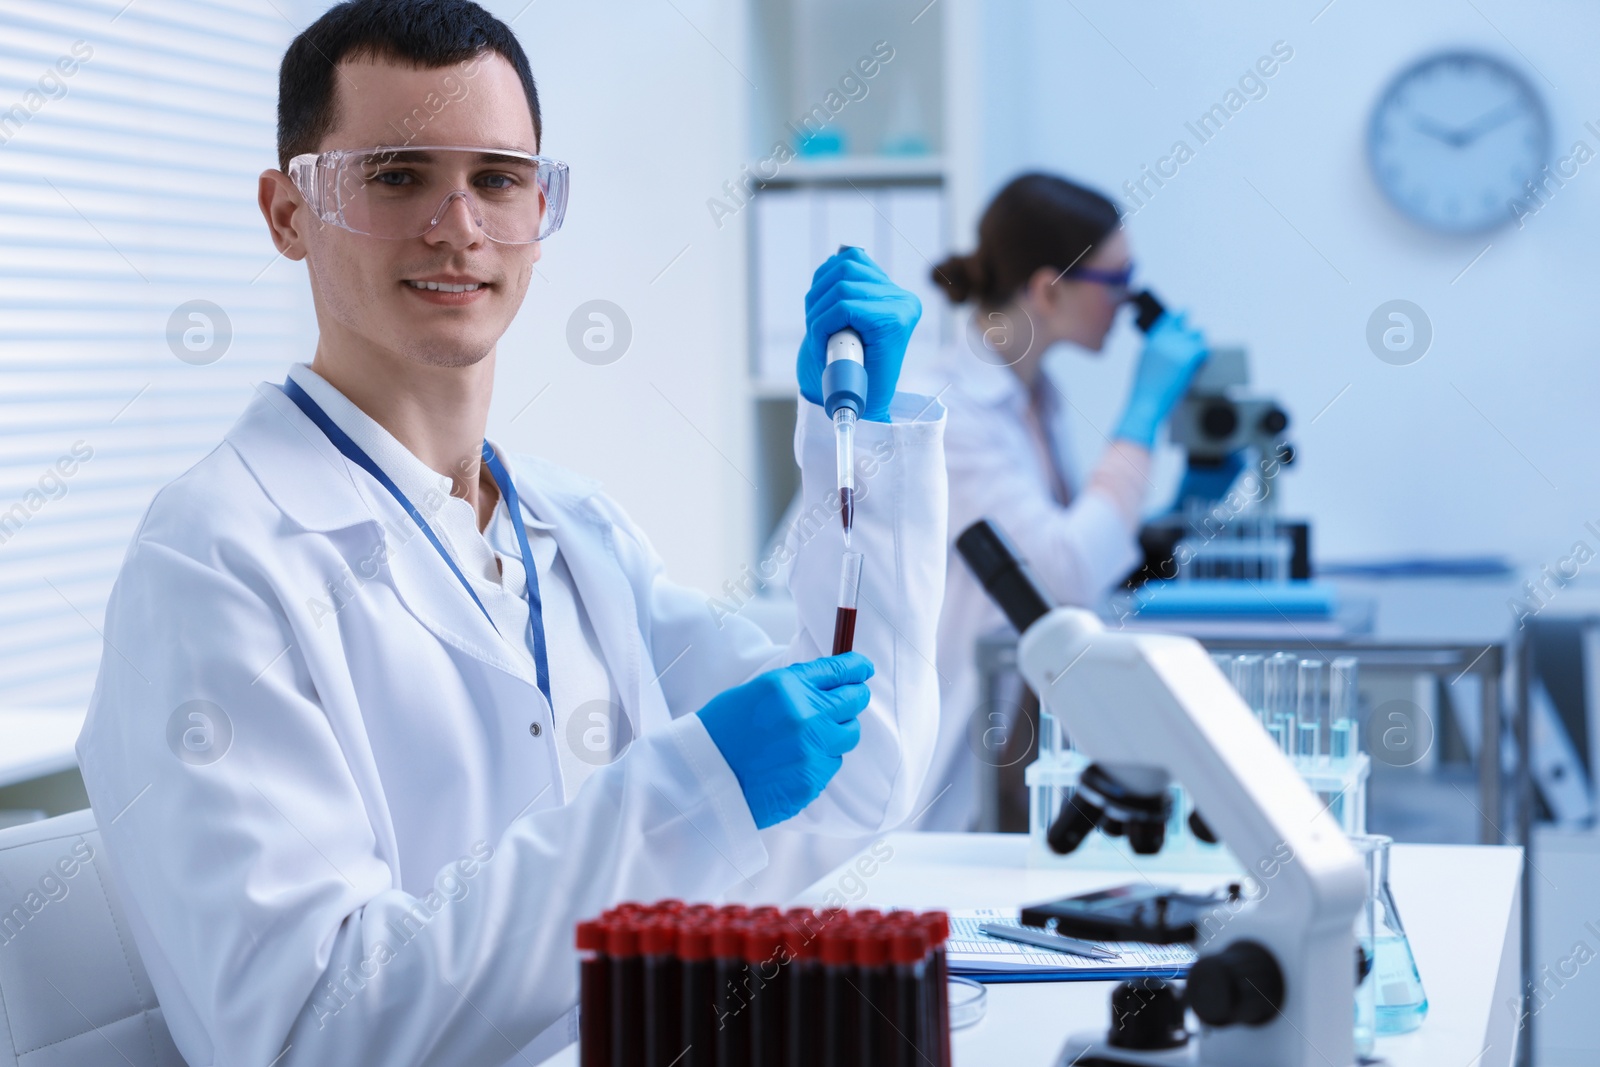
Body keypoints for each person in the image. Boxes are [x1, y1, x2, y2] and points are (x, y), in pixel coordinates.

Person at [72, 3, 947, 1065]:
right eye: (396, 176)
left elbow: (858, 776)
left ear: (541, 205)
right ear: (287, 212)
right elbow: (310, 1036)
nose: (458, 225)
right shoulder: (214, 561)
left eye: (495, 177)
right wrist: (690, 790)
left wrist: (865, 451)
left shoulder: (573, 531)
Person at [903, 172, 1208, 832]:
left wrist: (1189, 505)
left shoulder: (1035, 398)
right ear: (1048, 289)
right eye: (1116, 280)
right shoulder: (948, 413)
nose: (1130, 303)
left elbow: (1075, 561)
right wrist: (1142, 414)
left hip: (1022, 729)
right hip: (953, 750)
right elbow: (1062, 568)